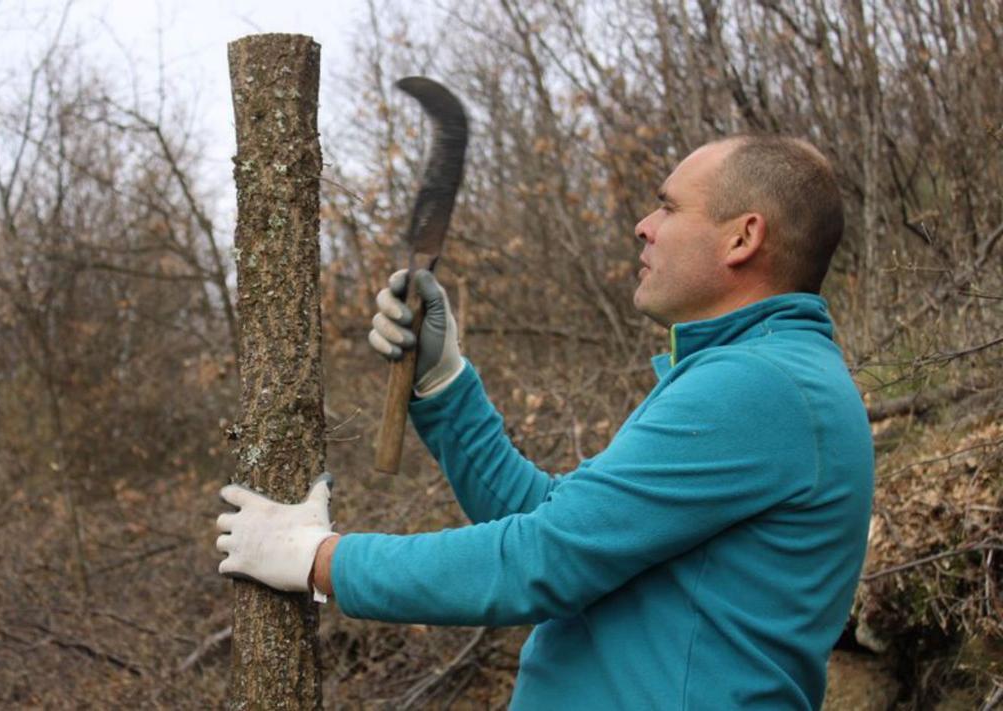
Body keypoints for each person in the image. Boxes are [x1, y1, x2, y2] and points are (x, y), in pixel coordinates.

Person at [215, 135, 874, 709]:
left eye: (669, 206)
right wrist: (445, 385)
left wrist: (318, 559)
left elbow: (541, 556)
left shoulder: (759, 386)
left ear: (743, 236)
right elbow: (562, 525)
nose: (645, 225)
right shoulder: (760, 376)